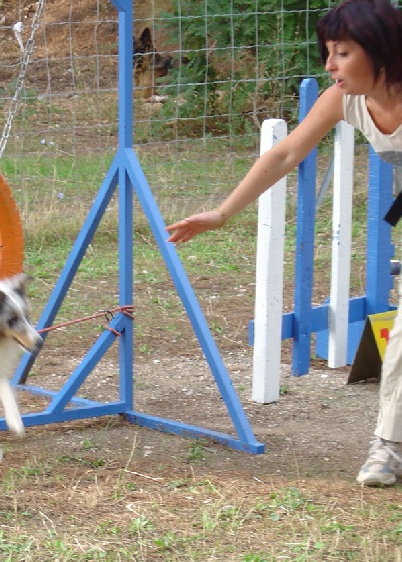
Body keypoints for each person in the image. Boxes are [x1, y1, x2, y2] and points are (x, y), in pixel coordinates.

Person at [165, 0, 402, 486]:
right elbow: (286, 152)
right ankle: (391, 447)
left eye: (342, 52)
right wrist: (223, 212)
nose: (330, 65)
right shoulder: (346, 99)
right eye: (328, 52)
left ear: (380, 49)